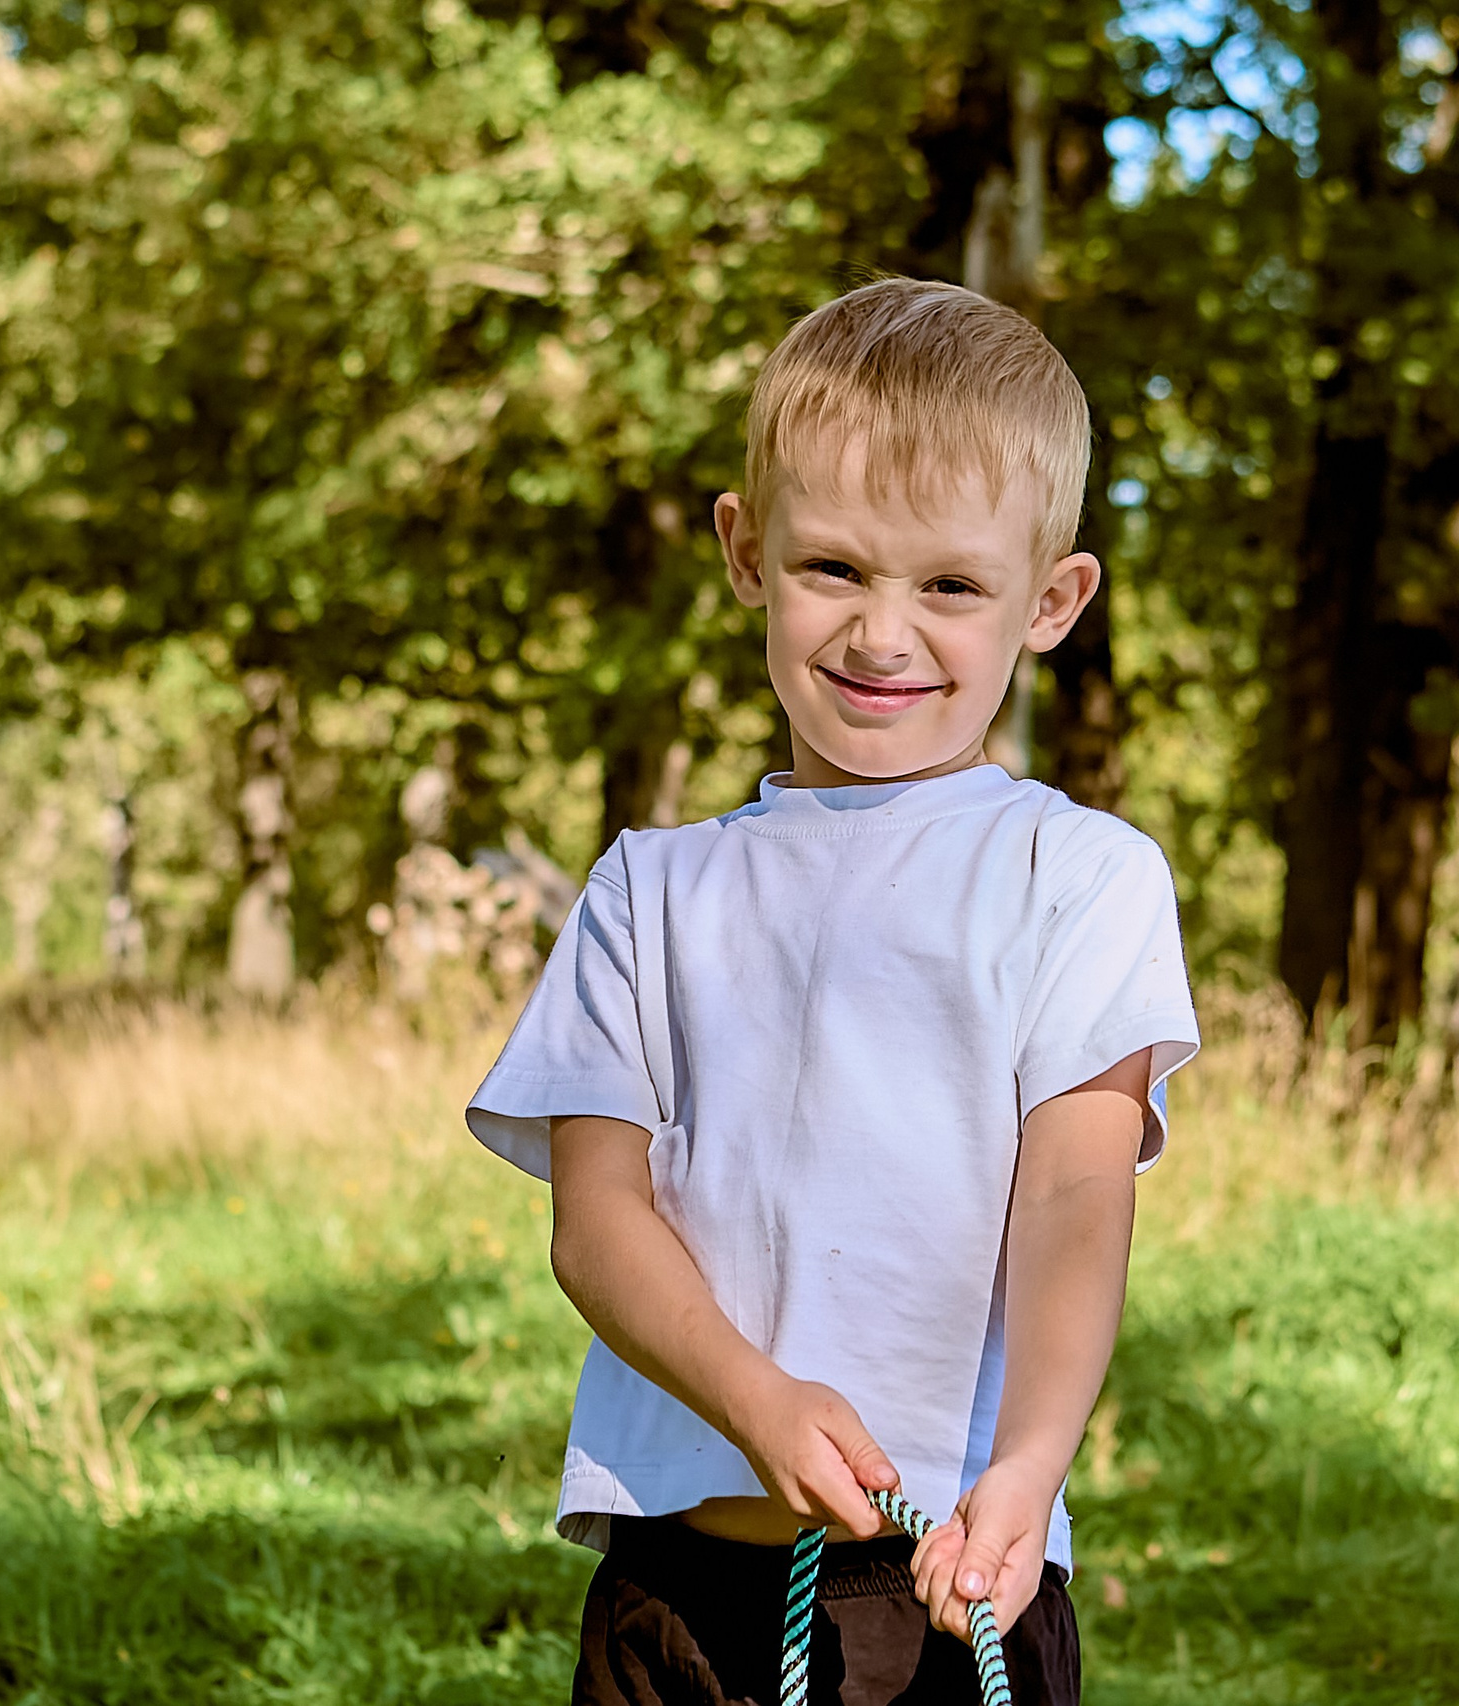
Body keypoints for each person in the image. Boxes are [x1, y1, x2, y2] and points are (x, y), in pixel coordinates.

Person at [466, 276, 1199, 1706]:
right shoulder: (651, 890)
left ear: (1050, 600)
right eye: (835, 569)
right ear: (747, 551)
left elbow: (1073, 1197)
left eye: (950, 585)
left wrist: (1031, 1464)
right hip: (677, 1580)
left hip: (945, 1585)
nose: (882, 634)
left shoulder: (1079, 875)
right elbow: (596, 1217)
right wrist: (754, 1396)